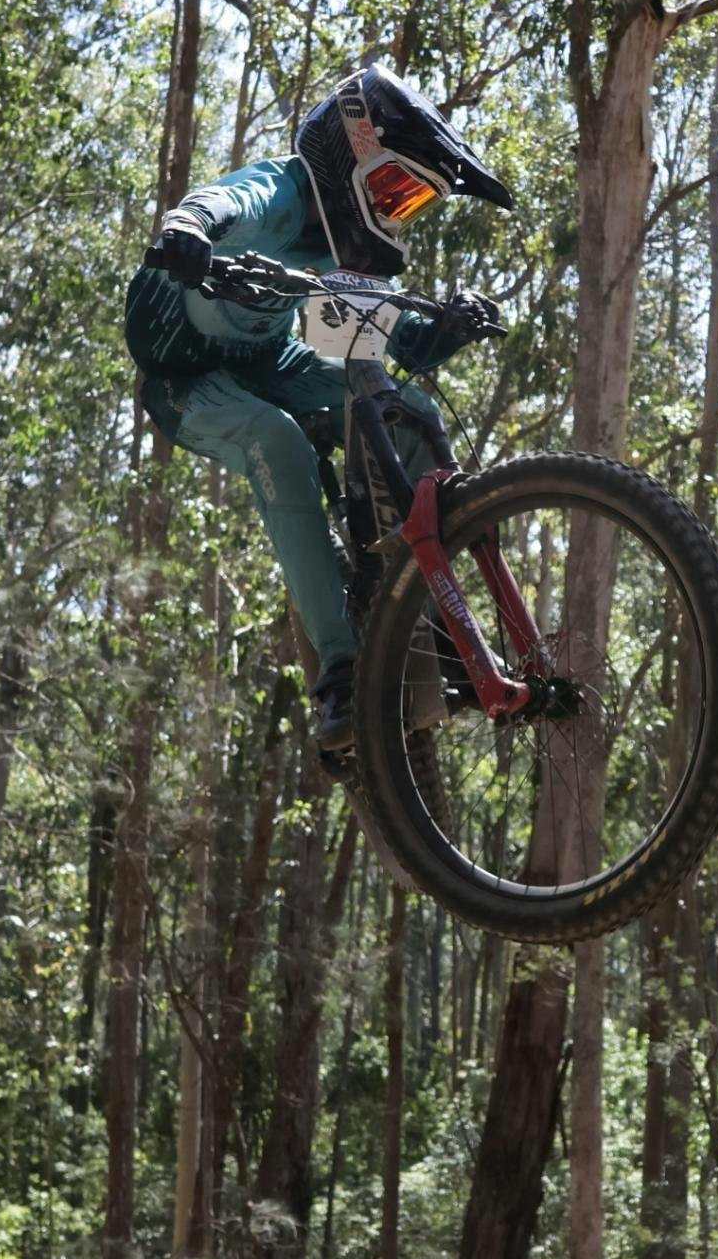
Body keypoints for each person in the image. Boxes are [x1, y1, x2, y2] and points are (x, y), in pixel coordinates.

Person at [126, 66, 515, 751]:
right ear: (351, 156)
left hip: (270, 362)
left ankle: (426, 615)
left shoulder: (339, 250)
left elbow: (400, 344)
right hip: (184, 377)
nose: (396, 213)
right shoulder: (279, 193)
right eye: (395, 191)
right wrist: (187, 227)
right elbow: (221, 203)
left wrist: (448, 329)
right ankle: (338, 668)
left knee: (408, 407)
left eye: (412, 204)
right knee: (276, 442)